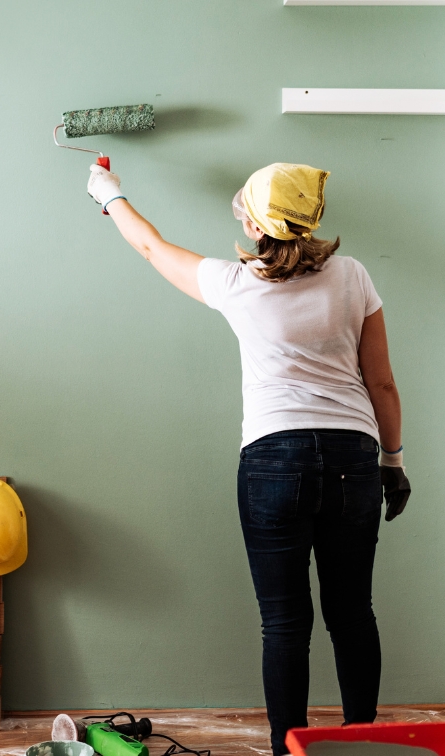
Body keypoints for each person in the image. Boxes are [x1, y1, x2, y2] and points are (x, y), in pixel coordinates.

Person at [86, 161, 411, 756]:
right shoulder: (353, 277)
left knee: (285, 622)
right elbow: (382, 384)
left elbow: (151, 246)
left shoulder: (235, 282)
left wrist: (108, 194)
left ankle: (289, 750)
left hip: (273, 461)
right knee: (351, 612)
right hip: (352, 457)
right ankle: (364, 742)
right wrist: (392, 461)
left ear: (256, 221)